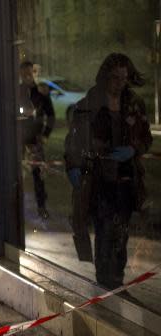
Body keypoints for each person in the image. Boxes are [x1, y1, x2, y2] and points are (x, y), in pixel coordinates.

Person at [64, 53, 152, 289]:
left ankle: (116, 281)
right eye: (115, 78)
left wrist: (133, 150)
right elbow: (72, 141)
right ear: (105, 77)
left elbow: (146, 137)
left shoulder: (133, 104)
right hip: (99, 180)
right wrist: (73, 167)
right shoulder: (90, 103)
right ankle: (104, 284)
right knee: (103, 233)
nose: (119, 83)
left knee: (121, 235)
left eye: (124, 78)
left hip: (125, 180)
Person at [18, 60, 55, 219]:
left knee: (38, 175)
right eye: (24, 73)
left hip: (34, 140)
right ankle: (17, 210)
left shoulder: (41, 93)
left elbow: (51, 115)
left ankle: (41, 207)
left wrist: (45, 134)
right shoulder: (17, 91)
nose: (27, 76)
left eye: (29, 73)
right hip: (18, 140)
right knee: (17, 176)